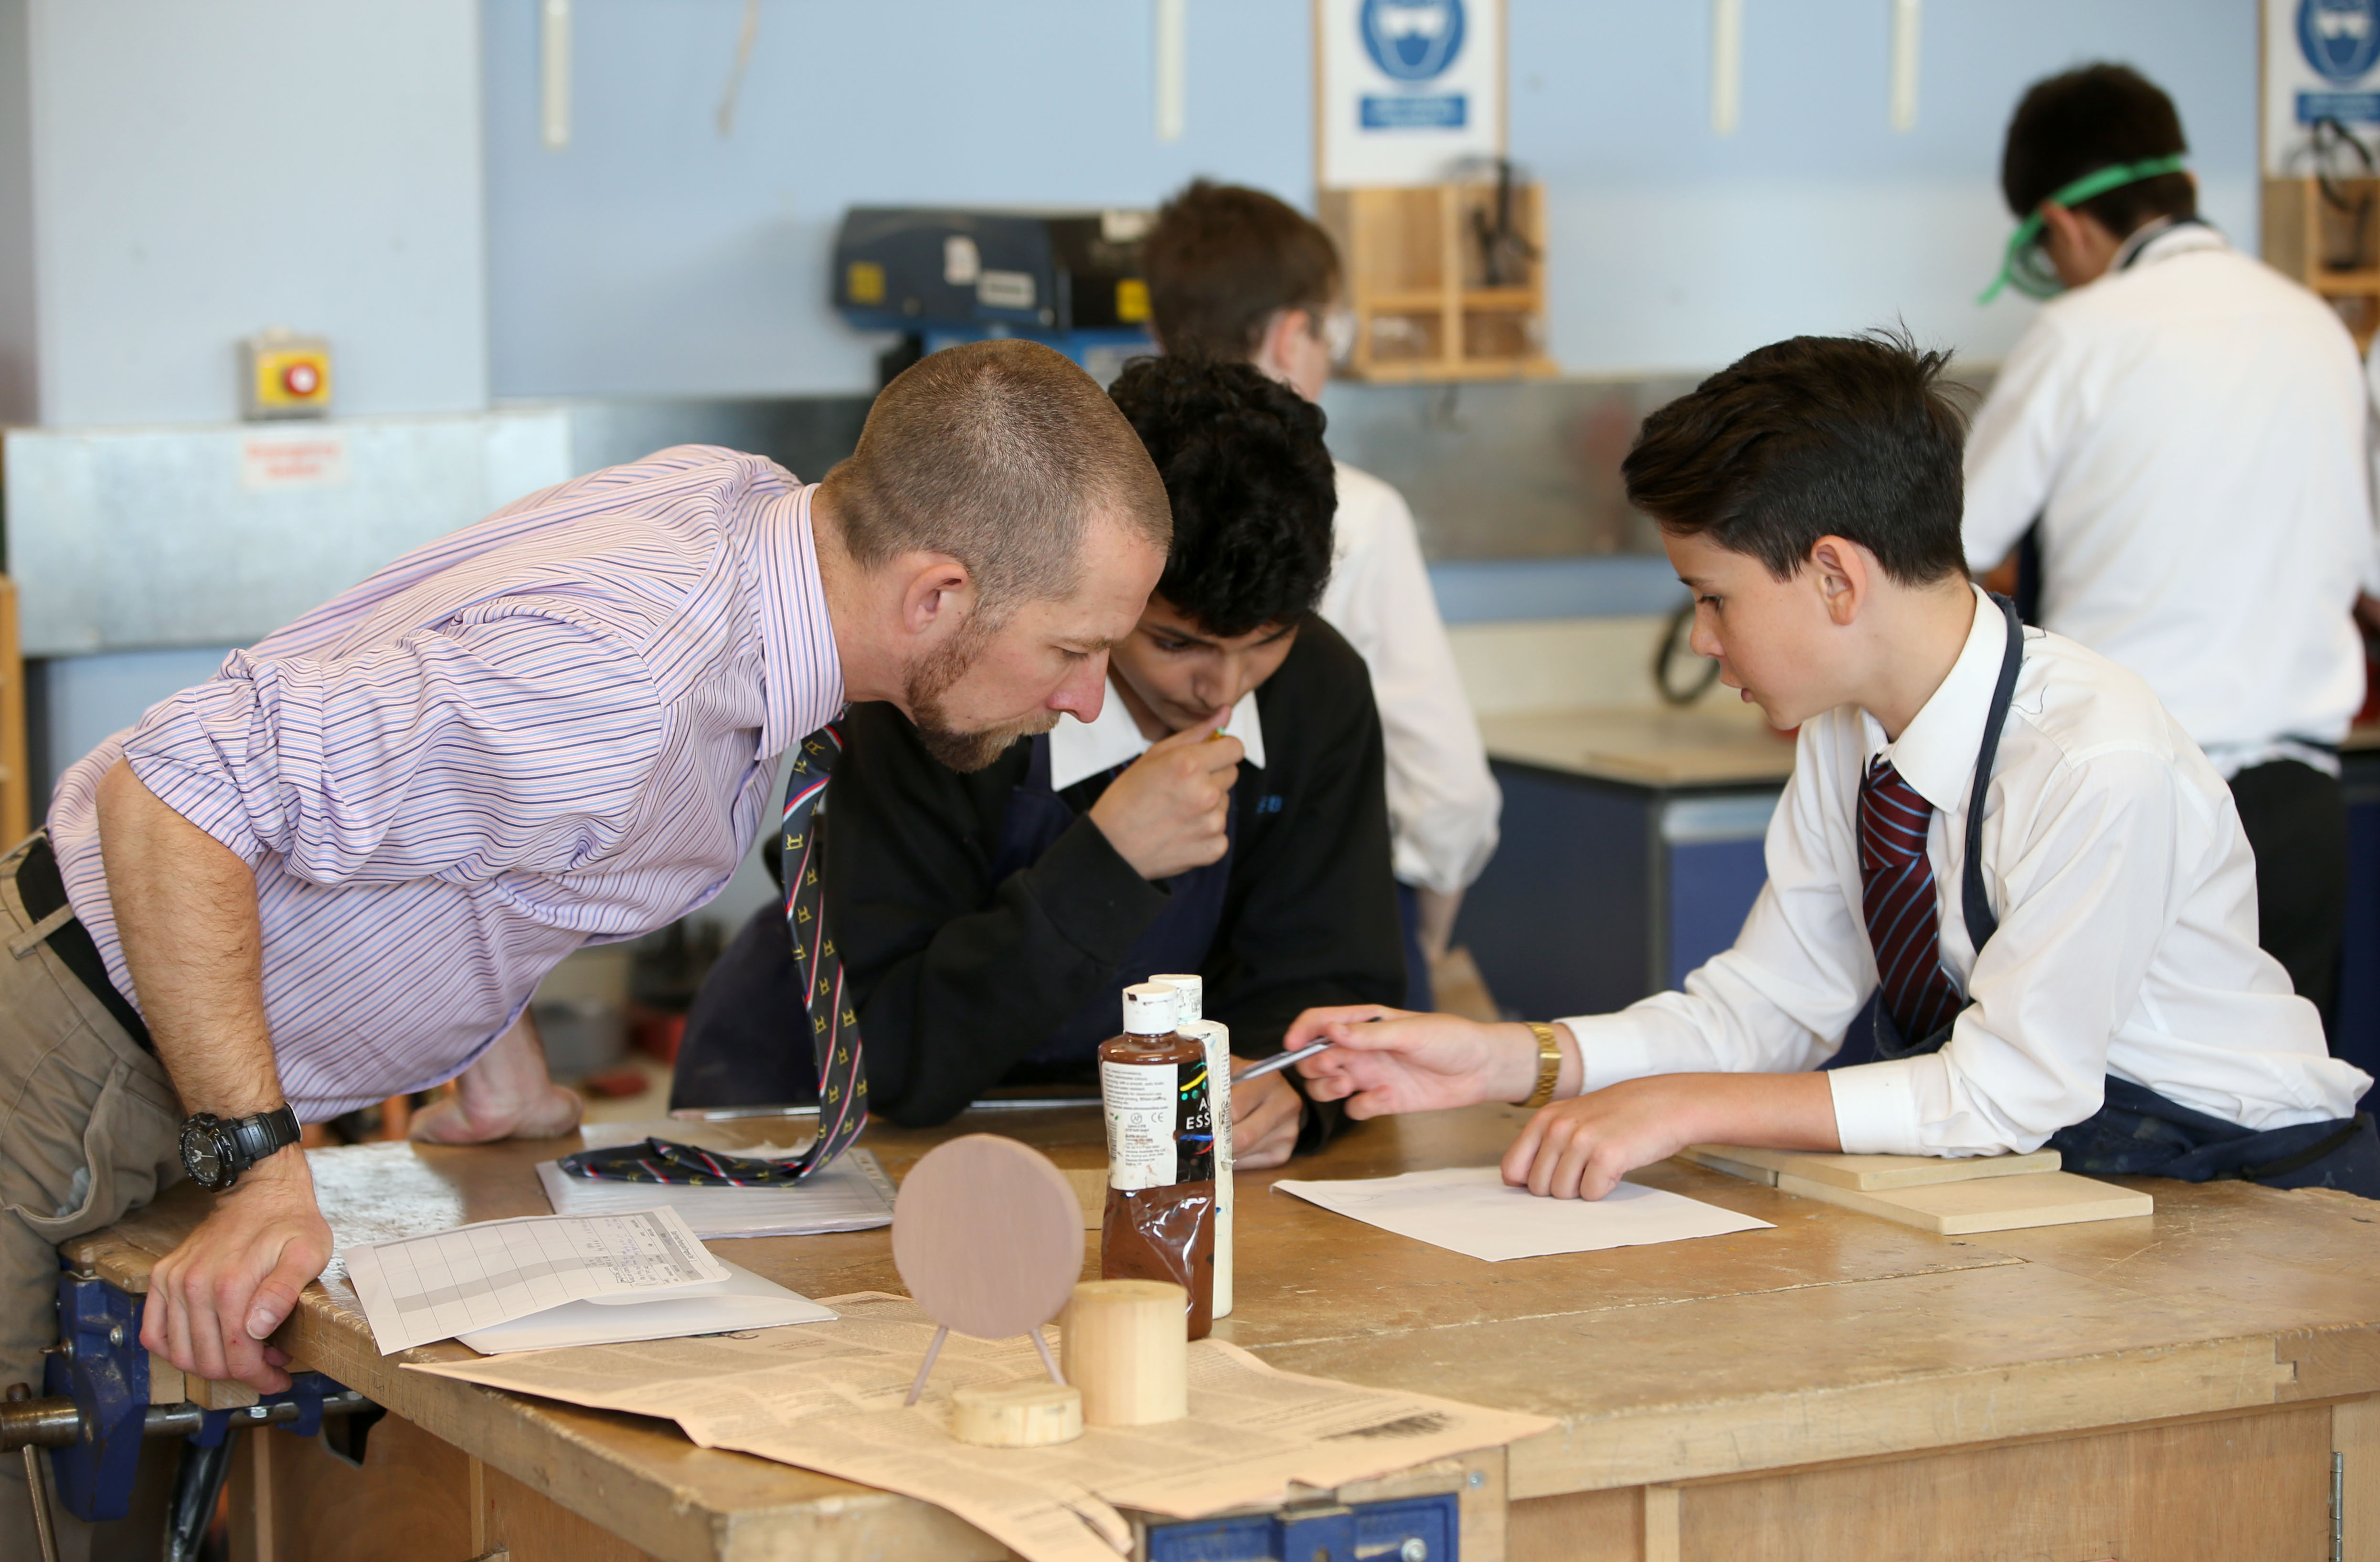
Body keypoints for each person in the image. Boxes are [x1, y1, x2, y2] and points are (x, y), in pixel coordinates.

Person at [0, 339, 1171, 1548]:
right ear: (934, 596)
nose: (1087, 702)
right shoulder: (632, 684)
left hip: (153, 1055)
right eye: (1073, 651)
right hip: (57, 1060)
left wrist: (487, 1049)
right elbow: (176, 795)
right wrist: (256, 1165)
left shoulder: (750, 517)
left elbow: (481, 806)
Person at [1285, 331, 2378, 1203]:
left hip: (2254, 1192)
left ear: (1836, 581)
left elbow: (2003, 1089)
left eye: (1711, 597)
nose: (1702, 640)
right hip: (2084, 1187)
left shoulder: (2094, 758)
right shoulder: (1847, 734)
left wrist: (1685, 1108)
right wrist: (1502, 1059)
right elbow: (1763, 1011)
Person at [671, 355, 1404, 1164]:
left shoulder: (1320, 691)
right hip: (829, 1112)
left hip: (1113, 1131)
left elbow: (1329, 980)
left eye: (1265, 645)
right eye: (1173, 643)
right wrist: (1109, 864)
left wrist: (1289, 1087)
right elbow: (896, 1055)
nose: (1221, 691)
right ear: (1111, 580)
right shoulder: (948, 684)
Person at [1963, 63, 2378, 1044]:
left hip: (2130, 806)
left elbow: (1941, 555)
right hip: (2297, 809)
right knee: (2277, 1136)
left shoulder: (2078, 334)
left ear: (2059, 225)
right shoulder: (2317, 326)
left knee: (2111, 1145)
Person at [1141, 179, 1500, 1009]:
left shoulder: (1107, 497)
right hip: (1319, 919)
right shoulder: (1361, 511)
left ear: (1158, 330)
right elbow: (1452, 797)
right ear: (1297, 333)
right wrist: (1428, 942)